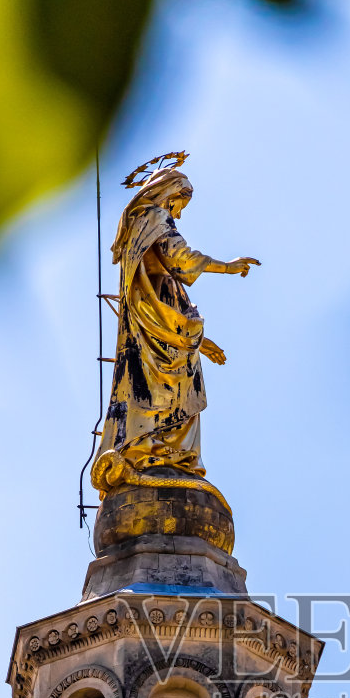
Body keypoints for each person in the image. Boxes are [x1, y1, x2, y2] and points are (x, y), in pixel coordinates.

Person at [90, 159, 259, 492]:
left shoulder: (137, 225)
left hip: (155, 325)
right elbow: (181, 261)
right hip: (162, 330)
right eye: (180, 204)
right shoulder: (154, 218)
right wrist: (228, 266)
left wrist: (198, 340)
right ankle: (162, 455)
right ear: (168, 193)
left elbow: (160, 288)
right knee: (175, 392)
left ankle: (147, 451)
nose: (178, 214)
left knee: (151, 391)